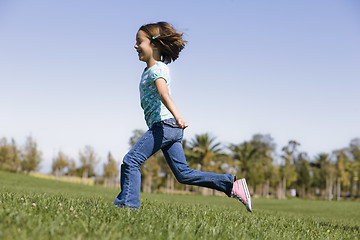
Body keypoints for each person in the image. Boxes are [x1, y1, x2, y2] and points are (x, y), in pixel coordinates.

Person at [114, 22, 252, 212]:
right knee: (183, 174)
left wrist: (178, 117)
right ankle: (231, 184)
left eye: (139, 42)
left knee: (131, 161)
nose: (135, 46)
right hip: (170, 128)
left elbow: (164, 95)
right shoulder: (150, 70)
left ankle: (127, 207)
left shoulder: (156, 70)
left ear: (154, 44)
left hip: (164, 126)